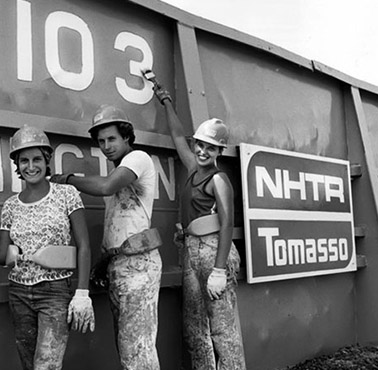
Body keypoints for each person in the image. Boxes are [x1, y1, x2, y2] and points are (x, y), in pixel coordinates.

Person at [0, 125, 94, 370]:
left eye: (36, 159)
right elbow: (3, 256)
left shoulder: (67, 194)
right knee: (30, 365)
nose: (30, 167)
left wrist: (82, 293)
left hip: (54, 293)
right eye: (24, 161)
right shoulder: (11, 206)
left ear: (46, 160)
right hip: (19, 292)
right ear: (17, 165)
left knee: (46, 366)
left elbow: (84, 245)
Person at [50, 105, 163, 370]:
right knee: (128, 347)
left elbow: (105, 186)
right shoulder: (120, 169)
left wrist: (67, 179)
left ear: (126, 137)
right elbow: (118, 225)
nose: (106, 146)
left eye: (112, 139)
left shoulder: (138, 159)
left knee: (138, 351)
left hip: (139, 266)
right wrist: (104, 259)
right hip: (121, 264)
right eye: (101, 141)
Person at [147, 71, 246, 370]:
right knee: (195, 329)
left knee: (223, 331)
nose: (203, 151)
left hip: (216, 251)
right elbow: (178, 135)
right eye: (200, 144)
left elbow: (227, 222)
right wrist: (164, 99)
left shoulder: (219, 179)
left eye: (210, 147)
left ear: (219, 151)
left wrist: (219, 270)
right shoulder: (191, 166)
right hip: (191, 251)